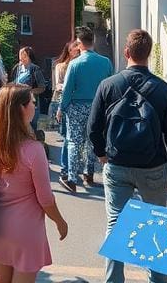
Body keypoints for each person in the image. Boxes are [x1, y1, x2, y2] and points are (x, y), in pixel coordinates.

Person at [87, 30, 167, 283]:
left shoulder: (108, 85)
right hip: (153, 166)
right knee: (155, 226)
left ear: (126, 52)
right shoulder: (163, 90)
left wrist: (101, 154)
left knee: (115, 225)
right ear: (149, 54)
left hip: (117, 164)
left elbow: (93, 128)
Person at [0, 83, 68, 283]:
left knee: (0, 278)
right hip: (26, 230)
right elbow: (45, 198)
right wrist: (60, 222)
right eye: (32, 103)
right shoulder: (33, 150)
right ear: (21, 108)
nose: (35, 107)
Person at [56, 28, 112, 191]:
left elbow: (67, 90)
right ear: (93, 41)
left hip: (77, 106)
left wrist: (61, 108)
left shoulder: (75, 64)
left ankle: (72, 179)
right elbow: (109, 86)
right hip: (98, 106)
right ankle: (89, 174)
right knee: (92, 141)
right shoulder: (106, 62)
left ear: (79, 44)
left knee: (74, 141)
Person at [49, 39, 81, 180]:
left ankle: (72, 166)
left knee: (74, 138)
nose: (78, 50)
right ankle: (65, 167)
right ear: (69, 50)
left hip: (76, 104)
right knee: (67, 137)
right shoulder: (60, 66)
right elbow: (58, 86)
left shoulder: (79, 65)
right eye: (76, 48)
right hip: (63, 103)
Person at [10, 47, 46, 136]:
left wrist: (29, 91)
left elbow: (42, 87)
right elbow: (11, 83)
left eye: (24, 55)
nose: (21, 57)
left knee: (31, 127)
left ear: (29, 56)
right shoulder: (16, 68)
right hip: (17, 103)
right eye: (20, 55)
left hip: (31, 103)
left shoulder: (35, 69)